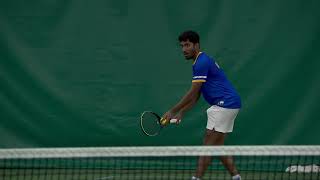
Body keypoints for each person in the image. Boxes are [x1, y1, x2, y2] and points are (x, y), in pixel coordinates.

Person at [162, 30, 242, 180]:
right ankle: (236, 177)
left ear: (196, 45)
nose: (184, 49)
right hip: (229, 104)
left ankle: (196, 178)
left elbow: (193, 92)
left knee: (207, 146)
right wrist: (182, 112)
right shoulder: (200, 62)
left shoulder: (201, 62)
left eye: (187, 45)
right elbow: (198, 94)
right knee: (217, 147)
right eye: (182, 46)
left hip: (225, 104)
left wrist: (172, 111)